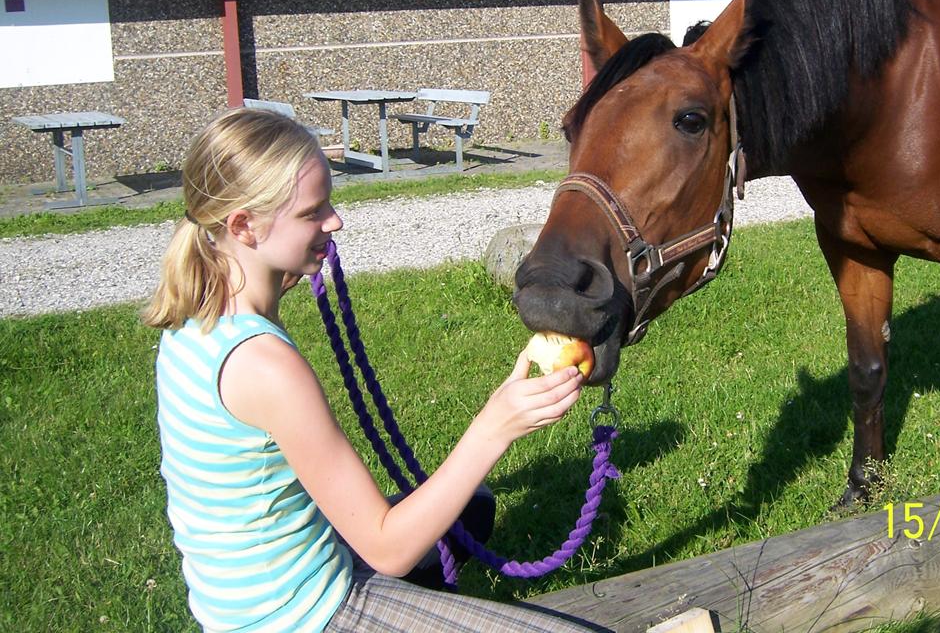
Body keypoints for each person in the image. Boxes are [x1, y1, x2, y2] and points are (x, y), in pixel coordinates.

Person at [143, 107, 601, 633]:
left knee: (467, 511)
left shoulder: (193, 319)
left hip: (241, 606)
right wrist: (497, 426)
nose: (334, 221)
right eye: (313, 212)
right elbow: (388, 549)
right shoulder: (265, 366)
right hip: (302, 618)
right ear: (244, 226)